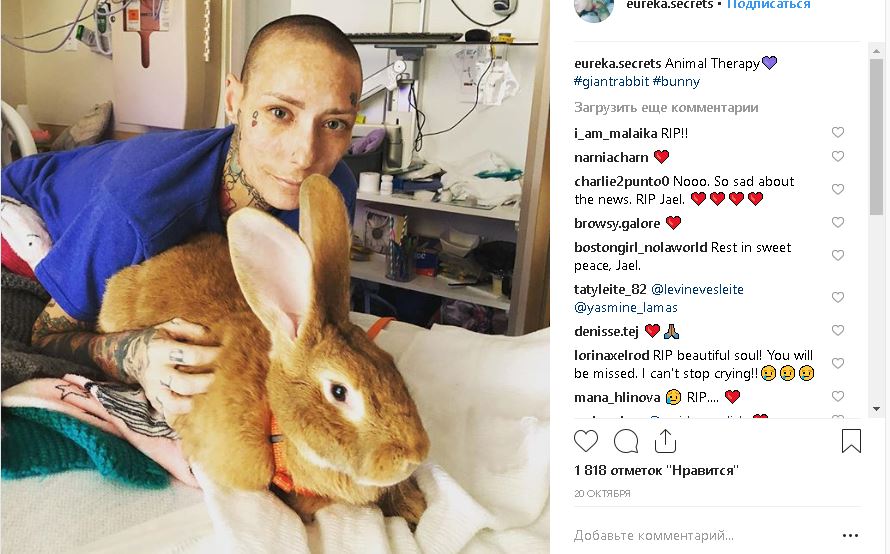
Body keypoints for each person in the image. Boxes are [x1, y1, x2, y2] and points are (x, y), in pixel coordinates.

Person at [0, 15, 363, 423]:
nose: (305, 155)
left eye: (334, 124)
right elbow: (45, 334)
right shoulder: (137, 205)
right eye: (280, 112)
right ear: (233, 101)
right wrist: (135, 354)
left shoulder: (330, 189)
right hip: (23, 210)